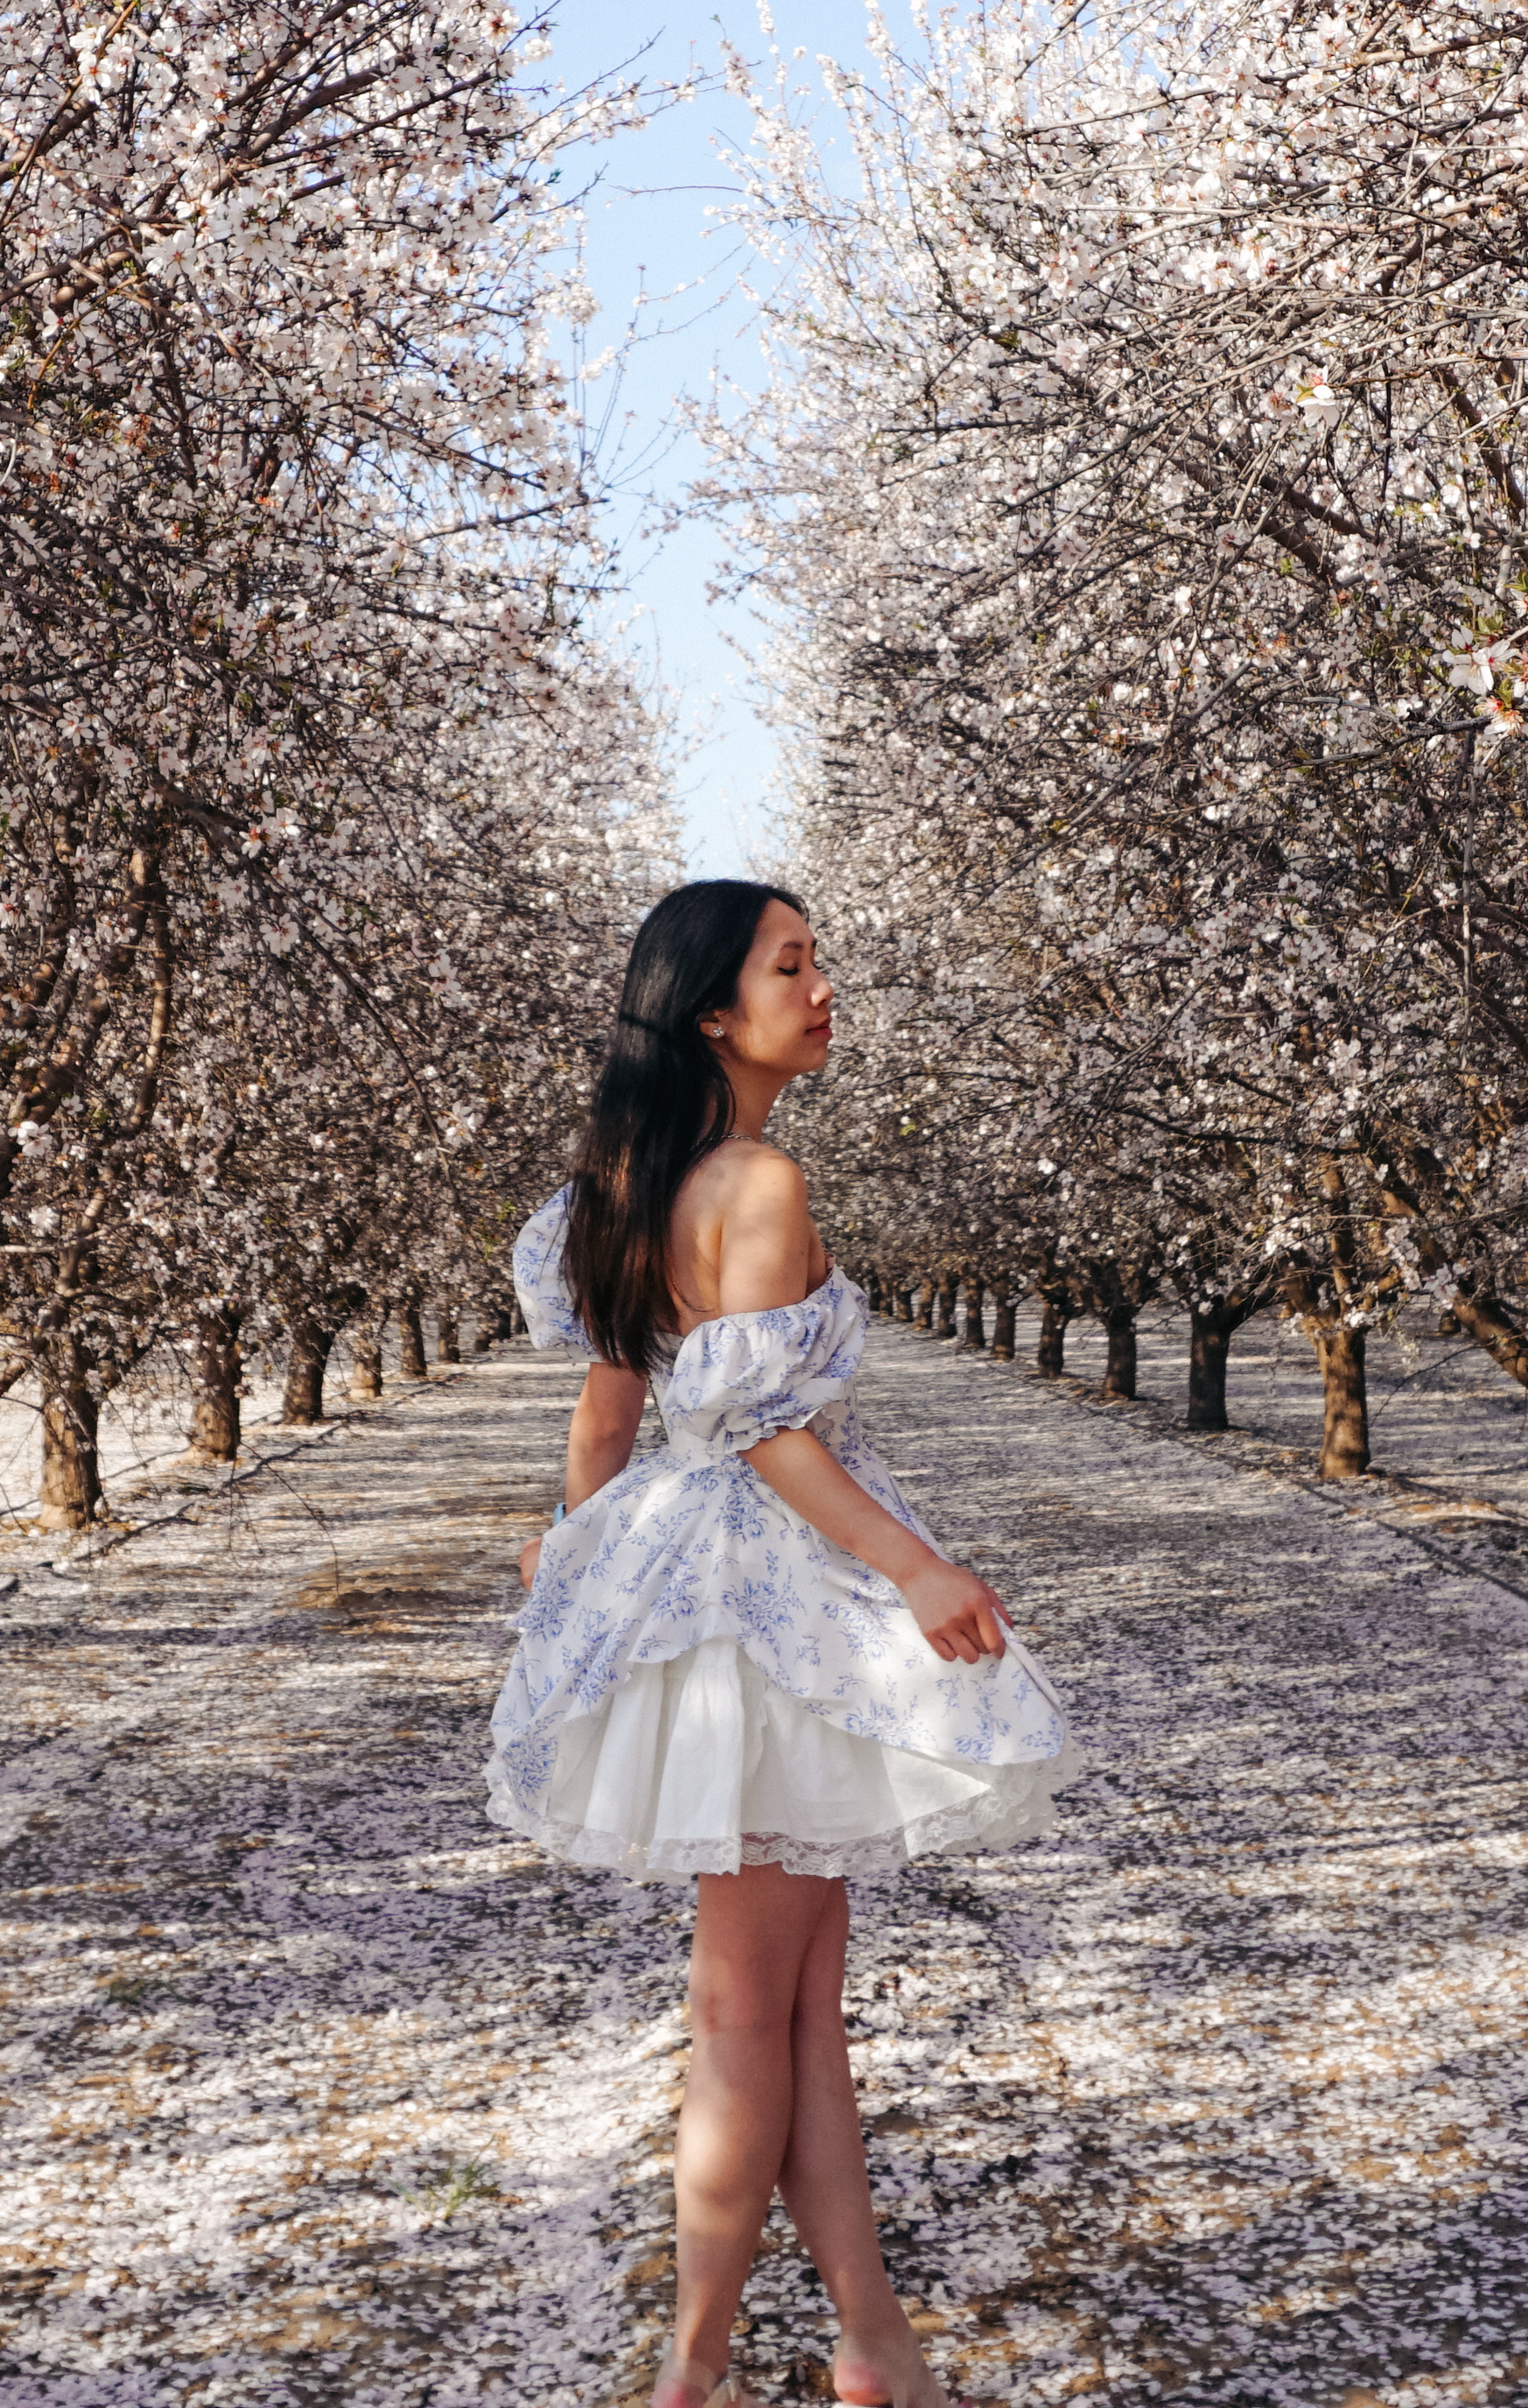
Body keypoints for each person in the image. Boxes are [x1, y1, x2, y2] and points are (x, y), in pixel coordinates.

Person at [487, 880, 1076, 2408]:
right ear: (710, 1010)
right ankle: (693, 2370)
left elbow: (609, 1416)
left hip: (708, 1604)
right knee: (746, 2004)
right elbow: (760, 1434)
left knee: (800, 1997)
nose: (823, 990)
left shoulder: (627, 1187)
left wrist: (588, 1559)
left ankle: (871, 2341)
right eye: (792, 966)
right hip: (770, 1613)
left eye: (821, 960)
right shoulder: (754, 1182)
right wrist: (918, 1564)